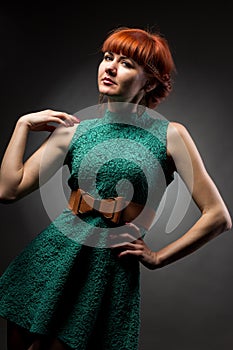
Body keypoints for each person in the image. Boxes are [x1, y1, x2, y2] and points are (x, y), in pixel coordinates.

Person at [0, 26, 231, 350]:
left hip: (103, 272)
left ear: (149, 81)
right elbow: (8, 191)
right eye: (108, 57)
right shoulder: (73, 132)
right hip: (49, 260)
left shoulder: (171, 135)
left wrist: (158, 257)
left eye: (126, 63)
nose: (109, 66)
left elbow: (218, 217)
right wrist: (22, 125)